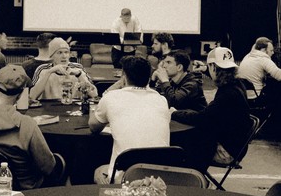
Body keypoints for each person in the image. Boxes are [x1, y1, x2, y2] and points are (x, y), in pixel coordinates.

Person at [89, 55, 171, 183]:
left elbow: (93, 127)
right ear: (148, 78)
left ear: (124, 77)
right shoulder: (161, 100)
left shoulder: (111, 97)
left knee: (98, 171)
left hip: (126, 178)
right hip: (159, 177)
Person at [172, 47, 253, 172]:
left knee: (180, 146)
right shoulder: (236, 84)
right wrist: (205, 68)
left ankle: (194, 178)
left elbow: (202, 118)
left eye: (210, 67)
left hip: (226, 151)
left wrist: (175, 113)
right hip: (236, 146)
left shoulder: (227, 94)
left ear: (213, 67)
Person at [30, 37, 98, 102]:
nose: (64, 56)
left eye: (66, 52)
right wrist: (49, 72)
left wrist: (79, 75)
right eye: (60, 53)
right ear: (52, 56)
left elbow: (94, 94)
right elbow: (32, 96)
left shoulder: (78, 68)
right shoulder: (42, 69)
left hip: (73, 106)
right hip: (49, 107)